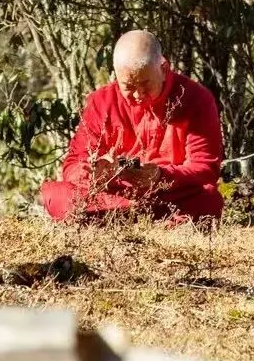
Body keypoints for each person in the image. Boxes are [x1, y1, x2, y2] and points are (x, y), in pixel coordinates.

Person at [40, 30, 224, 224]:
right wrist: (95, 172)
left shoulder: (196, 99)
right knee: (55, 196)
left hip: (167, 196)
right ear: (116, 75)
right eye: (128, 87)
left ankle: (117, 220)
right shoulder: (101, 102)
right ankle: (150, 221)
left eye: (145, 85)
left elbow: (205, 169)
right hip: (114, 196)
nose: (138, 95)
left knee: (208, 199)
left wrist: (160, 175)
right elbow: (72, 166)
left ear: (164, 69)